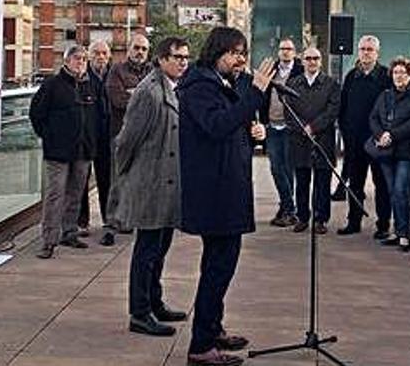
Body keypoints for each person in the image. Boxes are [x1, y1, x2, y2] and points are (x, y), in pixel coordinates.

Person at [178, 27, 275, 366]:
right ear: (216, 51)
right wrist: (255, 94)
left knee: (218, 264)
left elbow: (231, 125)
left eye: (243, 52)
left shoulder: (222, 84)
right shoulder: (199, 86)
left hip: (226, 188)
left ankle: (213, 327)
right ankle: (201, 347)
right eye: (234, 52)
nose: (241, 60)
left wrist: (253, 132)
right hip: (213, 193)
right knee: (219, 267)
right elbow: (216, 126)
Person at [110, 37, 190, 337]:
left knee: (160, 248)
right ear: (160, 59)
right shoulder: (148, 92)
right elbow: (127, 140)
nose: (183, 62)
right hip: (150, 183)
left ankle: (155, 302)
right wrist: (130, 176)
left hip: (166, 183)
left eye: (186, 57)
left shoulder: (171, 87)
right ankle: (140, 313)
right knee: (146, 250)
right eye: (177, 56)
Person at [30, 45, 98, 259]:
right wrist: (48, 136)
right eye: (77, 58)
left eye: (84, 59)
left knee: (76, 194)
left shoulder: (90, 85)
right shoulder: (52, 85)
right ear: (67, 61)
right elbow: (36, 114)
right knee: (55, 195)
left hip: (83, 150)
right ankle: (48, 240)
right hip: (58, 151)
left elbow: (98, 115)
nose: (81, 62)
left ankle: (69, 232)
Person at [337, 35, 392, 238]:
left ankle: (383, 225)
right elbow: (343, 108)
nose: (366, 53)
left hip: (378, 142)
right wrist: (345, 132)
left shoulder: (386, 76)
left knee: (382, 185)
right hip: (355, 142)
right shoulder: (351, 76)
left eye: (370, 49)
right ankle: (353, 221)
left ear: (377, 53)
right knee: (355, 184)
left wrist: (384, 135)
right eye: (362, 49)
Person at [369, 57, 410, 251]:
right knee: (393, 191)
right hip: (386, 151)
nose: (399, 76)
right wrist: (381, 135)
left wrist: (391, 135)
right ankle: (397, 230)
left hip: (407, 151)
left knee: (401, 190)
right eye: (395, 72)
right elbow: (374, 117)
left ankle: (404, 234)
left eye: (403, 72)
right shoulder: (385, 95)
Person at [102, 31, 152, 246]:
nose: (140, 52)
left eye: (144, 49)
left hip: (148, 136)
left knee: (144, 180)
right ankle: (112, 223)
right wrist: (142, 97)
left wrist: (134, 93)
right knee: (119, 180)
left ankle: (137, 219)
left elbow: (162, 98)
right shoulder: (116, 71)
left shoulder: (153, 72)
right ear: (128, 49)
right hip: (121, 135)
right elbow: (118, 100)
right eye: (136, 48)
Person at [285, 47, 340, 235]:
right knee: (301, 182)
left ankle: (320, 219)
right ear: (303, 61)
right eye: (308, 58)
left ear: (321, 60)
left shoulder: (331, 84)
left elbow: (333, 111)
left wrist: (313, 127)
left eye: (315, 58)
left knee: (322, 183)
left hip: (322, 139)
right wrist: (302, 129)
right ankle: (302, 217)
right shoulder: (292, 83)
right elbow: (288, 111)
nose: (312, 62)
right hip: (299, 140)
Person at [260, 37, 304, 228]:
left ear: (294, 52)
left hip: (290, 127)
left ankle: (287, 208)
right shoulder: (272, 70)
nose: (285, 52)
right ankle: (288, 206)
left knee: (288, 169)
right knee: (276, 168)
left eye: (289, 49)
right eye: (282, 49)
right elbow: (262, 94)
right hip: (272, 125)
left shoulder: (300, 71)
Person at [77, 39, 112, 236]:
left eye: (104, 53)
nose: (100, 57)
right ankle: (82, 222)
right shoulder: (82, 77)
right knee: (82, 180)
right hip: (85, 137)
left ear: (109, 57)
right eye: (96, 53)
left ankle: (108, 218)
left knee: (107, 179)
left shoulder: (112, 76)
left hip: (106, 136)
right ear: (90, 56)